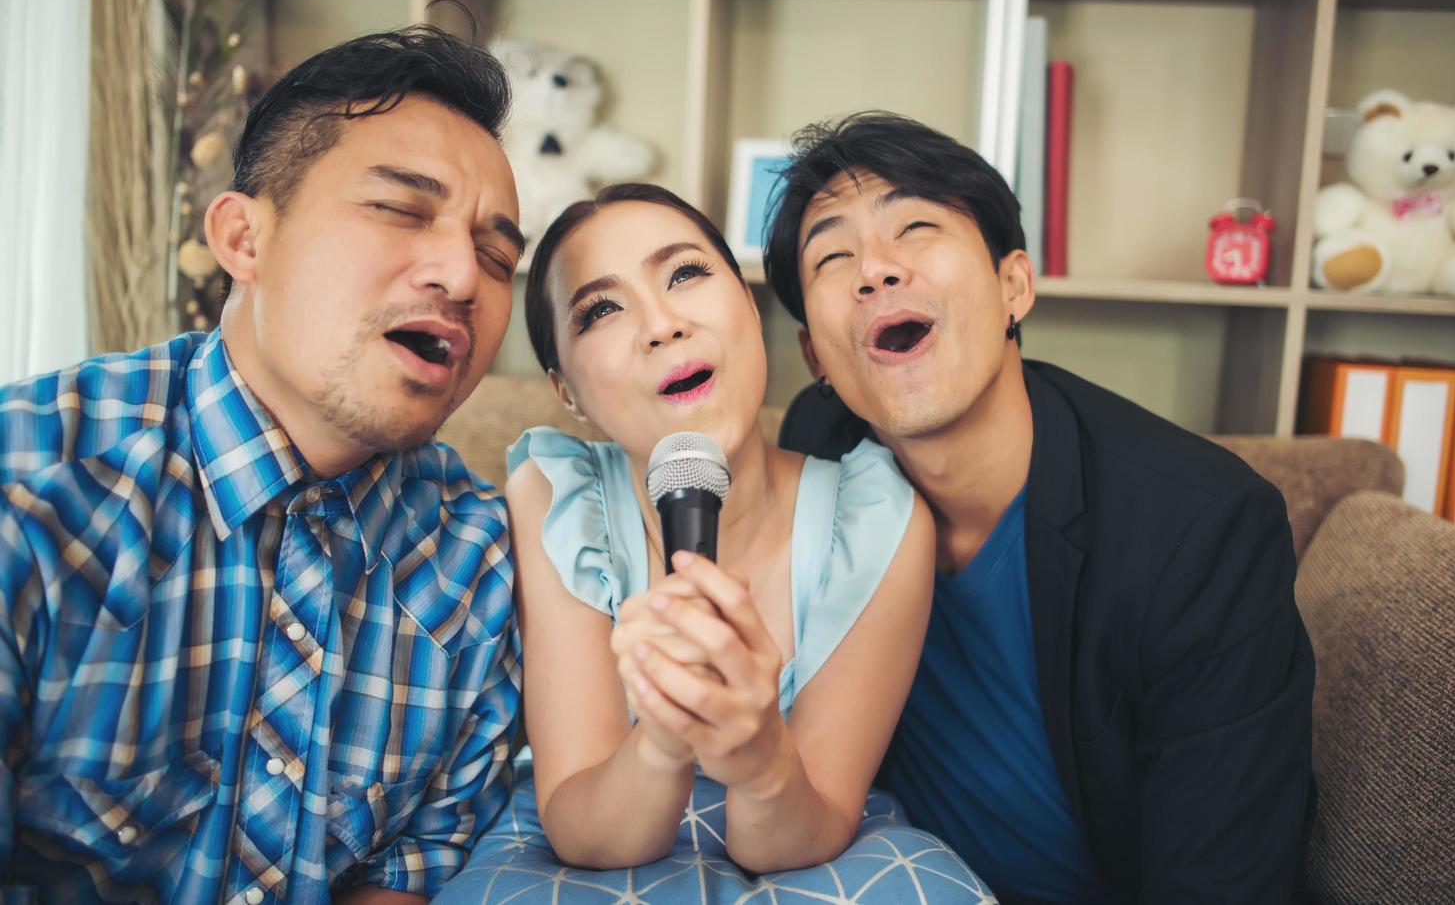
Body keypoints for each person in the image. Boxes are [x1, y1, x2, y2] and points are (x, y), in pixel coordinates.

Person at [0, 26, 526, 904]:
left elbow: (406, 872)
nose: (462, 274)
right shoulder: (33, 484)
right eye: (400, 209)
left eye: (498, 254)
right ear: (243, 238)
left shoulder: (476, 560)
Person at [764, 112, 1316, 904]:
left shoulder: (1201, 529)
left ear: (1012, 285)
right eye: (832, 255)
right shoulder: (819, 448)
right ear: (817, 357)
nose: (873, 271)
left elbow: (1224, 879)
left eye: (914, 228)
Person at [434, 183, 992, 904]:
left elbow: (801, 835)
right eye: (602, 309)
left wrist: (759, 758)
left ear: (749, 308)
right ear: (564, 388)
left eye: (686, 274)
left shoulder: (876, 517)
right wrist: (665, 737)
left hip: (807, 844)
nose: (660, 325)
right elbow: (587, 834)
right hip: (601, 843)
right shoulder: (557, 498)